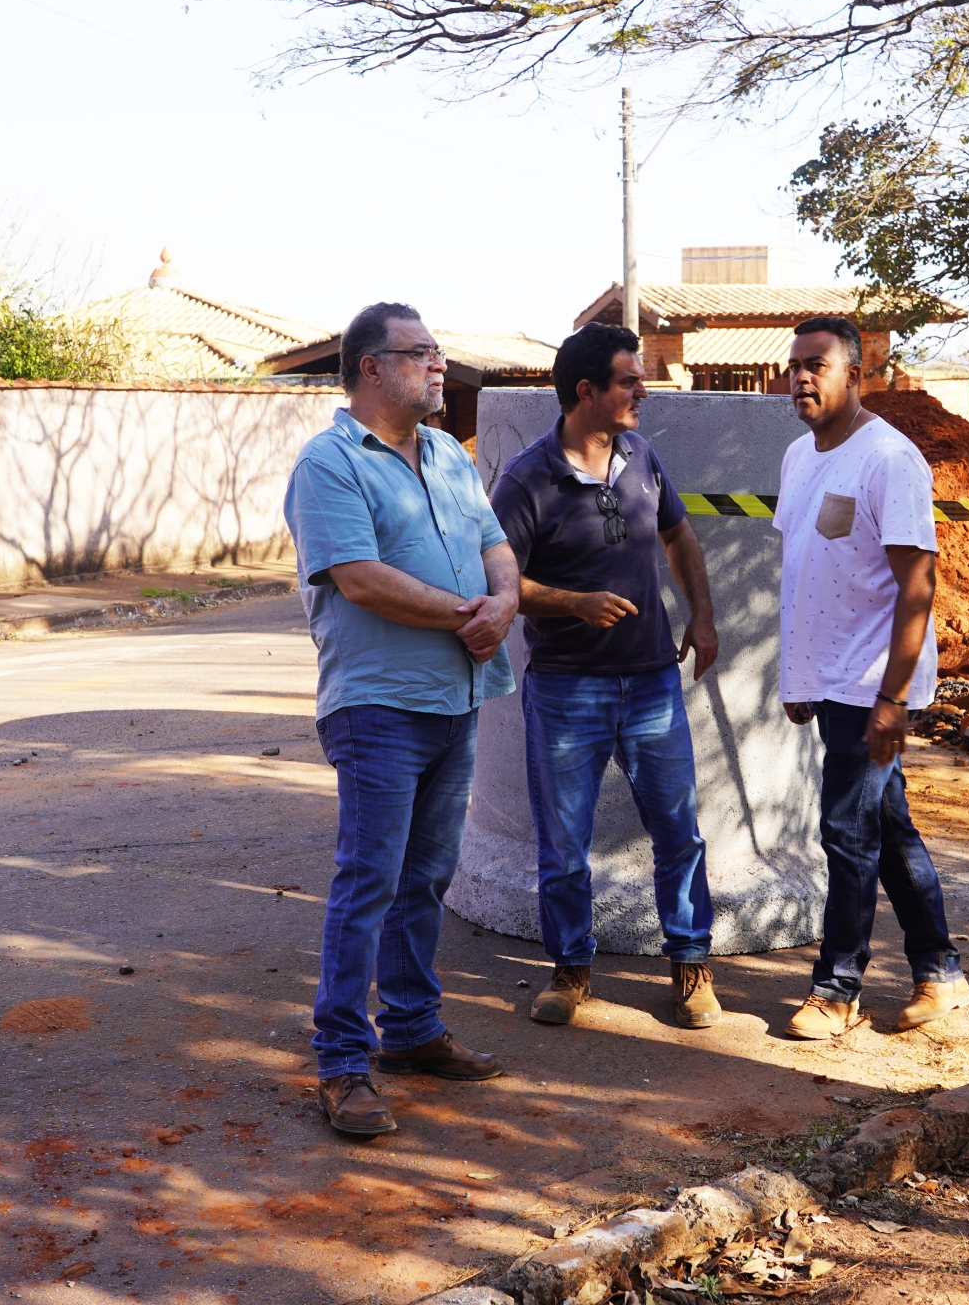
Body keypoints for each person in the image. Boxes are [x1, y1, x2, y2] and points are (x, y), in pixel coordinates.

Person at [284, 301, 520, 1137]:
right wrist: (471, 613)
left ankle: (412, 1028)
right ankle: (342, 1062)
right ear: (372, 367)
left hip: (456, 697)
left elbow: (496, 544)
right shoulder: (329, 463)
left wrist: (505, 599)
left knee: (425, 878)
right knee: (369, 882)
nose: (439, 365)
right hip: (378, 705)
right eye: (421, 353)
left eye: (438, 352)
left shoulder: (450, 456)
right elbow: (358, 576)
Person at [489, 323, 722, 1030]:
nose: (644, 391)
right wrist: (574, 604)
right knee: (564, 846)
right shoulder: (526, 480)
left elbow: (679, 534)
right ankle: (570, 969)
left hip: (652, 682)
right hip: (567, 689)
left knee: (679, 833)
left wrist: (702, 615)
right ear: (586, 391)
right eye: (630, 380)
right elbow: (497, 583)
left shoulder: (641, 454)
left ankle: (690, 963)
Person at [771, 316, 969, 1040]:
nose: (801, 377)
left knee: (847, 830)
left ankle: (837, 987)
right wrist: (797, 675)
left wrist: (893, 697)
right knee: (885, 825)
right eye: (794, 365)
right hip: (828, 680)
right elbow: (804, 567)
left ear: (856, 375)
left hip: (870, 681)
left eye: (817, 365)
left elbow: (918, 586)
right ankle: (941, 972)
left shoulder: (890, 459)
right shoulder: (798, 455)